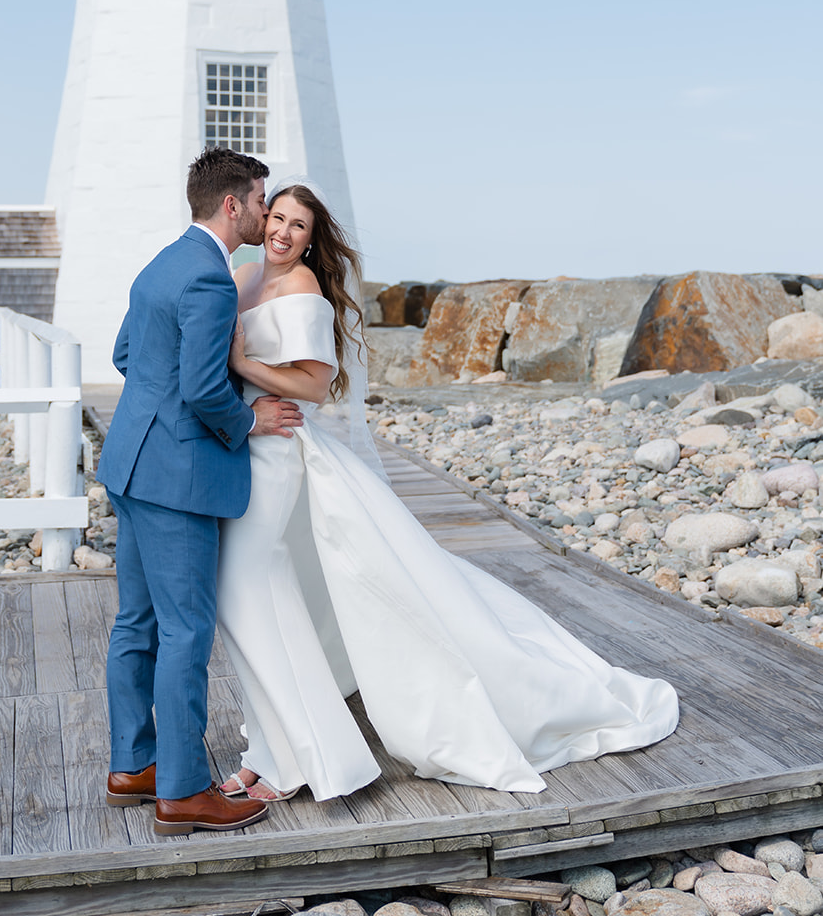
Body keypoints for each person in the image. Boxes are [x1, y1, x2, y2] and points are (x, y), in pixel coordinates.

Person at [215, 180, 680, 804]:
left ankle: (290, 754)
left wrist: (245, 367)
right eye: (276, 217)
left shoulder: (302, 289)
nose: (283, 232)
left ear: (311, 237)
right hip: (240, 444)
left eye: (299, 225)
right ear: (259, 216)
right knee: (288, 592)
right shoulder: (242, 274)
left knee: (261, 594)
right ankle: (273, 743)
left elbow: (315, 386)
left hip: (279, 451)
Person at [98, 148, 304, 837]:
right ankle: (184, 791)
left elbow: (127, 356)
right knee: (185, 632)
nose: (263, 212)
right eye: (258, 200)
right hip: (176, 479)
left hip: (129, 463)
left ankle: (134, 766)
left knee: (138, 624)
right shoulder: (212, 282)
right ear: (231, 204)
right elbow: (204, 389)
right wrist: (248, 420)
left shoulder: (162, 262)